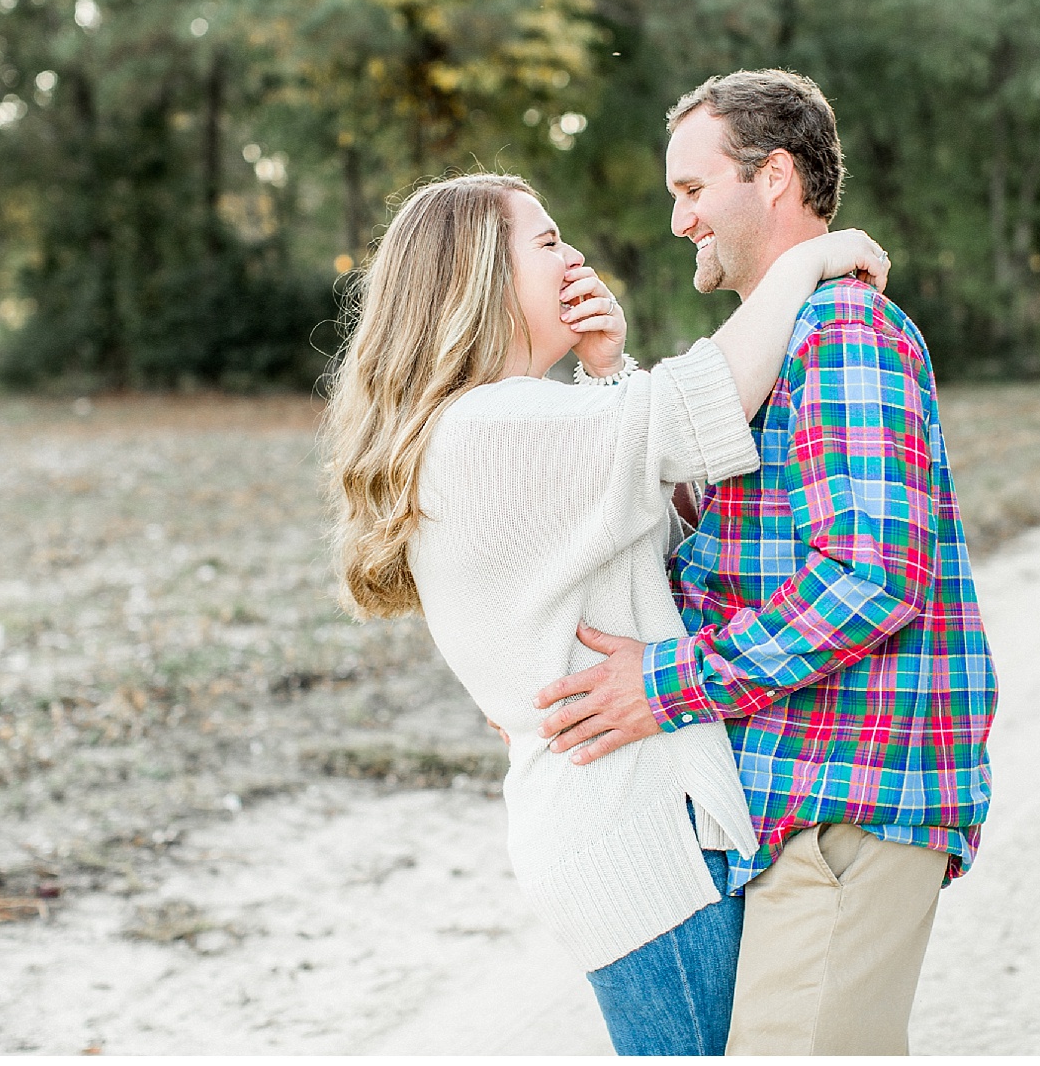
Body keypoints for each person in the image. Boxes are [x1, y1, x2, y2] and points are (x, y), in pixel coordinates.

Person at [321, 172, 889, 1055]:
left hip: (617, 827)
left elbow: (644, 527)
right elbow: (699, 407)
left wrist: (604, 370)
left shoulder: (497, 426)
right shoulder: (495, 426)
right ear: (480, 275)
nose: (574, 254)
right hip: (636, 833)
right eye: (546, 241)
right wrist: (809, 259)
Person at [536, 70, 999, 1055]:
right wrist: (609, 375)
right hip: (810, 795)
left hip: (856, 794)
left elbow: (873, 574)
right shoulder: (789, 336)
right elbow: (710, 533)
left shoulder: (843, 331)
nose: (678, 220)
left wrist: (663, 684)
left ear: (775, 176)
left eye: (692, 190)